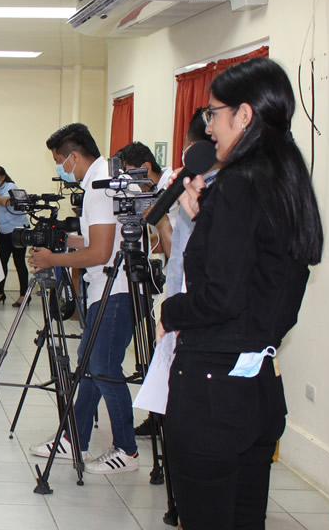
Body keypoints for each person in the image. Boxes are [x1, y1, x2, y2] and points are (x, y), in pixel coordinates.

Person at [157, 57, 322, 529]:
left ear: (243, 115)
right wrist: (205, 211)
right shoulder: (285, 179)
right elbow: (262, 276)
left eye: (213, 113)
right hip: (257, 387)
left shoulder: (238, 184)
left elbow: (220, 297)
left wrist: (171, 309)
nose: (208, 127)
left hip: (212, 393)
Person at [27, 123, 138, 474]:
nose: (61, 168)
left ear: (74, 157)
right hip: (108, 287)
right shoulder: (106, 176)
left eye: (60, 161)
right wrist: (63, 241)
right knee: (90, 364)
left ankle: (127, 450)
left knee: (104, 368)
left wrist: (52, 259)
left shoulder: (100, 187)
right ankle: (74, 437)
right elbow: (99, 242)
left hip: (114, 289)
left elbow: (102, 253)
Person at [135, 108, 211, 440]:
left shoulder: (211, 193)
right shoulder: (187, 189)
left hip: (195, 313)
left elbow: (181, 255)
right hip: (183, 305)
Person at [115, 141, 173, 257]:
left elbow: (173, 241)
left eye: (129, 174)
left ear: (146, 168)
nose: (128, 180)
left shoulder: (171, 189)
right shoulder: (149, 192)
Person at [0, 165, 29, 307]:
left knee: (19, 262)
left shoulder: (11, 186)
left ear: (3, 177)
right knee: (1, 263)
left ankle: (24, 295)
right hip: (2, 231)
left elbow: (6, 202)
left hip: (18, 230)